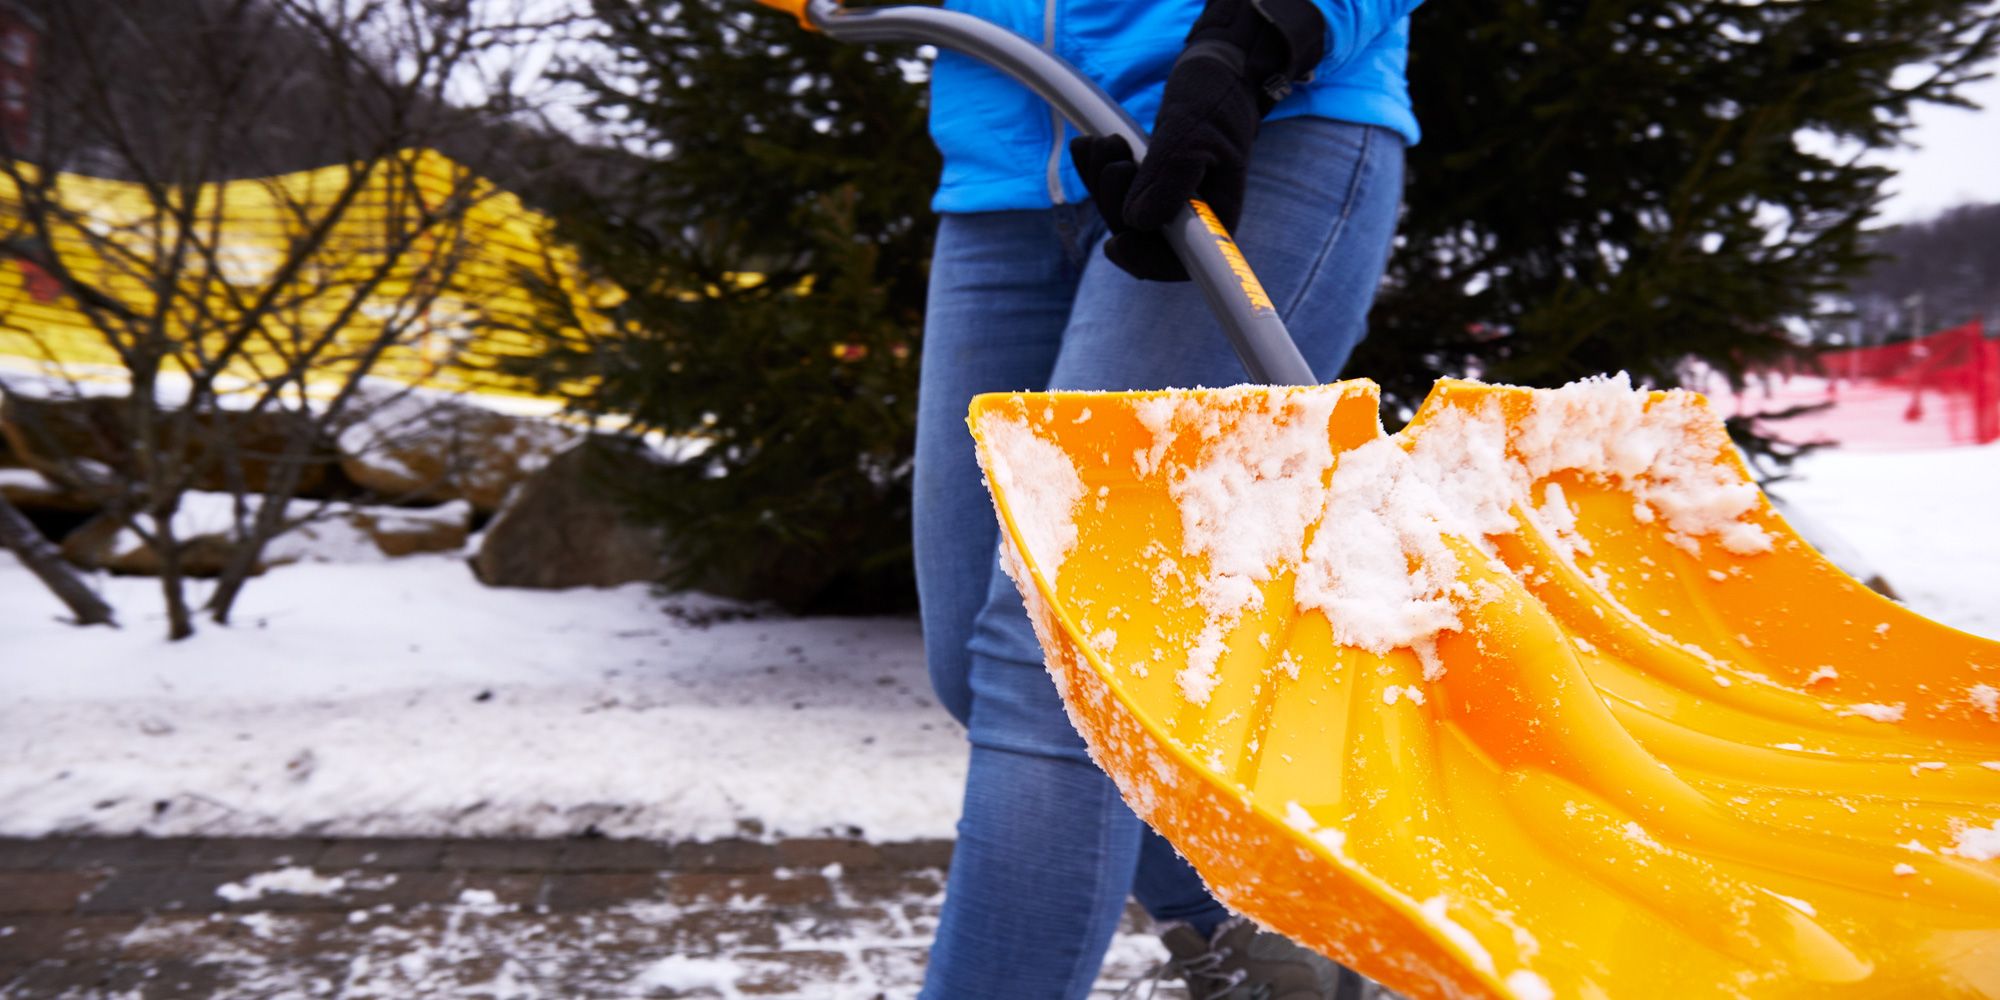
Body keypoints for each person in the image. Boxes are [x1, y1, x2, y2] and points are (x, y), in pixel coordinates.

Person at [910, 0, 1422, 995]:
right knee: (973, 666)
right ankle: (1249, 933)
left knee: (1057, 645)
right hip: (1005, 159)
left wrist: (1256, 35)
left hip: (1260, 121)